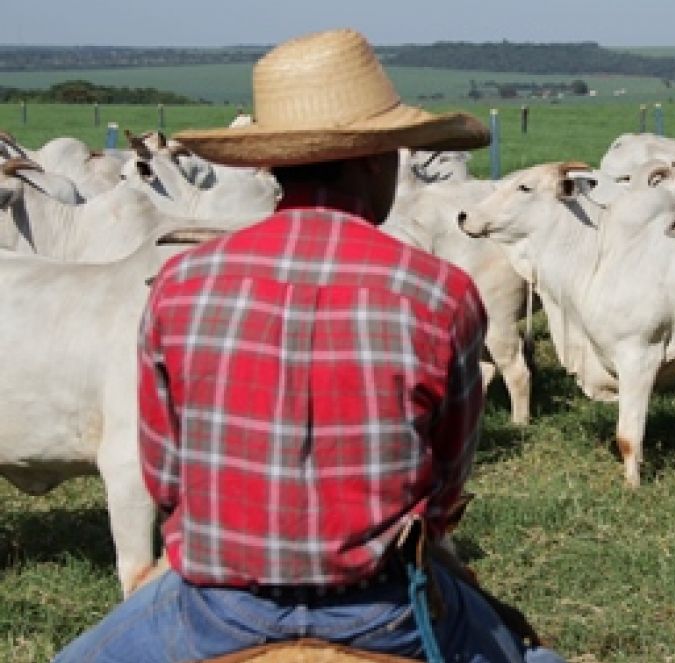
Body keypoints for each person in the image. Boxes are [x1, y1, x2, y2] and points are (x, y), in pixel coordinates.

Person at [55, 28, 563, 663]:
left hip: (216, 610)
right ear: (377, 161)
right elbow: (445, 486)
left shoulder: (181, 283)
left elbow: (165, 475)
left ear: (271, 164)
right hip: (383, 612)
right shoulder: (441, 293)